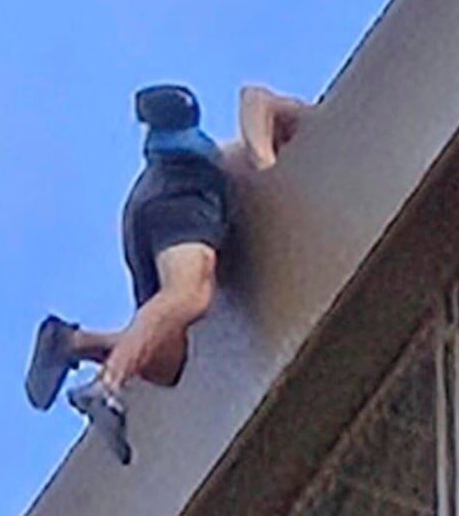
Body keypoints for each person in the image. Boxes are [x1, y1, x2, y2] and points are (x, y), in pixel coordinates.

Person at [24, 83, 309, 464]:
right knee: (190, 295)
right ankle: (107, 387)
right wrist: (265, 163)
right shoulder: (289, 128)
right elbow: (253, 97)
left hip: (152, 202)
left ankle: (71, 342)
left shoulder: (210, 154)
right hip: (182, 193)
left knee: (165, 363)